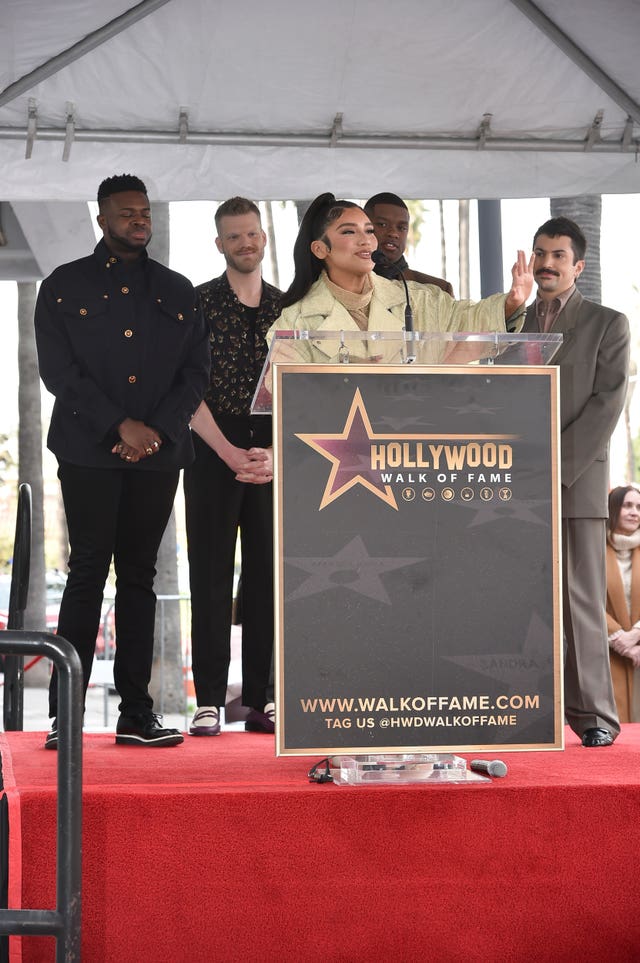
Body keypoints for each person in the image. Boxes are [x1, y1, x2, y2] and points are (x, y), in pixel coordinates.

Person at [35, 173, 210, 749]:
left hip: (158, 456)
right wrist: (119, 426)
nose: (139, 220)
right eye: (127, 212)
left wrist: (155, 431)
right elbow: (59, 373)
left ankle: (137, 712)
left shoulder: (180, 290)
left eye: (144, 212)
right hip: (88, 452)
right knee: (88, 572)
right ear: (103, 219)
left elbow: (195, 375)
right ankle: (67, 717)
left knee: (140, 577)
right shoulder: (62, 287)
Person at [522, 216, 630, 747]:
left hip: (574, 486)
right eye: (541, 253)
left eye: (558, 255)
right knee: (519, 601)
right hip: (511, 489)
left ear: (578, 265)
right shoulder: (513, 325)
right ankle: (524, 715)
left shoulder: (609, 323)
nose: (546, 263)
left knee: (579, 602)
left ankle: (594, 719)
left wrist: (554, 472)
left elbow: (606, 405)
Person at [184, 197, 281, 737]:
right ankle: (209, 701)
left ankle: (260, 700)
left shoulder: (289, 309)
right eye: (234, 236)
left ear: (264, 237)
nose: (246, 243)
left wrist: (273, 453)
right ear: (219, 244)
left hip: (269, 454)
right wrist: (225, 451)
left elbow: (300, 390)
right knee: (210, 576)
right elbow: (185, 390)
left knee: (265, 577)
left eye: (253, 234)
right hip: (209, 452)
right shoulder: (196, 304)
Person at [268, 193, 533, 356]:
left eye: (369, 231)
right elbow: (290, 402)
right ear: (320, 248)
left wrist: (511, 302)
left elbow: (466, 320)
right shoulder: (293, 323)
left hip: (408, 443)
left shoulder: (417, 299)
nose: (366, 241)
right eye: (350, 231)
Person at [364, 192, 454, 295]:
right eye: (383, 224)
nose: (393, 234)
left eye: (401, 228)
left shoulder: (438, 290)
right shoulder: (344, 284)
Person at [606, 485, 640, 723]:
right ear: (612, 509)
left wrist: (636, 634)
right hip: (606, 650)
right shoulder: (593, 550)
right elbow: (584, 599)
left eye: (639, 507)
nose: (634, 512)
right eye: (627, 505)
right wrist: (620, 639)